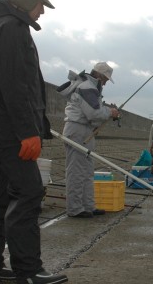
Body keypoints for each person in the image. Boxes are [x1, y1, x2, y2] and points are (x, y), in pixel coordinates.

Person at [0, 0, 68, 284]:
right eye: (41, 4)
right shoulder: (14, 28)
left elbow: (7, 85)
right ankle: (28, 272)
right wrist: (28, 131)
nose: (42, 11)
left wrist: (39, 124)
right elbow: (16, 87)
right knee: (29, 193)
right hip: (12, 133)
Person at [58, 62, 120, 218]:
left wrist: (107, 112)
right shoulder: (88, 87)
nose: (105, 83)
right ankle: (75, 209)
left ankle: (88, 206)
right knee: (76, 172)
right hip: (78, 130)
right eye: (105, 79)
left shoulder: (90, 88)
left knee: (87, 171)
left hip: (84, 131)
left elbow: (93, 114)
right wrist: (111, 112)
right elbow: (93, 113)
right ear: (99, 76)